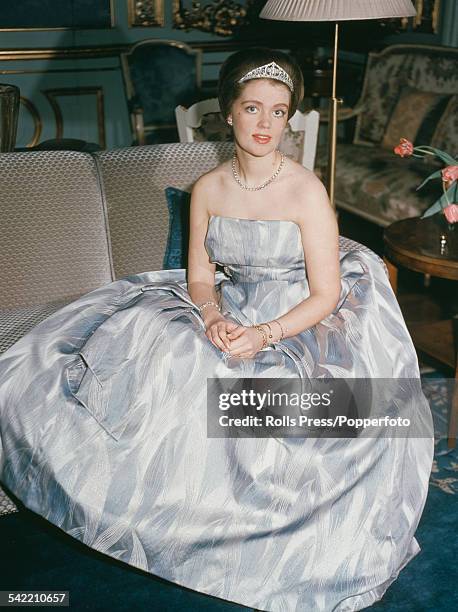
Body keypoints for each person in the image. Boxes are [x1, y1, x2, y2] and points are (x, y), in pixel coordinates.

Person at [0, 48, 434, 611]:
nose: (264, 124)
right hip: (227, 311)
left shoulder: (306, 191)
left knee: (280, 399)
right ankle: (167, 528)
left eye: (278, 112)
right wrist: (211, 316)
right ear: (227, 113)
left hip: (297, 320)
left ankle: (262, 544)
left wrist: (265, 335)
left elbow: (327, 295)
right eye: (252, 108)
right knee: (154, 352)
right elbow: (200, 279)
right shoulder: (208, 188)